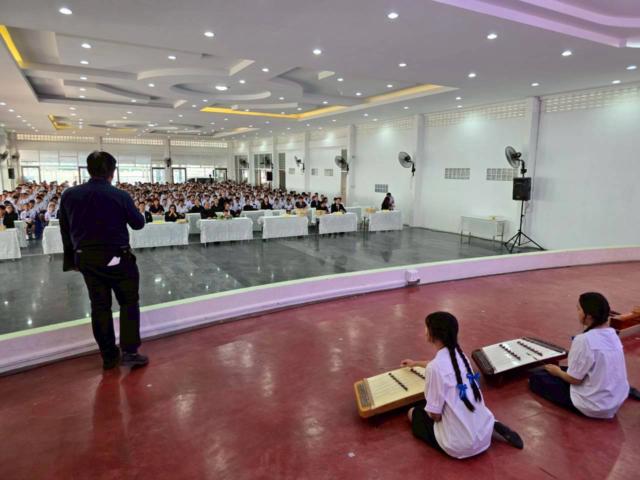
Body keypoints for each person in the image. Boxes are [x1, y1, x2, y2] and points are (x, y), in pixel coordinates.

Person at [59, 151, 148, 370]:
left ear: (88, 170)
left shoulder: (69, 195)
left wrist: (72, 260)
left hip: (87, 259)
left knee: (99, 306)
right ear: (112, 172)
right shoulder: (120, 195)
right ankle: (130, 352)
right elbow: (138, 224)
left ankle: (108, 356)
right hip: (118, 258)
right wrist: (139, 211)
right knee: (128, 302)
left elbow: (65, 229)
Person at [401, 312, 523, 458]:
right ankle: (492, 424)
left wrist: (432, 410)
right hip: (483, 436)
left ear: (432, 334)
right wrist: (415, 363)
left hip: (459, 445)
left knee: (413, 412)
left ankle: (466, 428)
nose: (424, 331)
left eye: (426, 328)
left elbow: (436, 416)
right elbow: (438, 366)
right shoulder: (461, 356)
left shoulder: (435, 368)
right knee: (462, 404)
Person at [529, 292, 631, 418]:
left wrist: (557, 372)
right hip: (616, 400)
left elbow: (575, 380)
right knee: (561, 371)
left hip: (592, 405)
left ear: (588, 316)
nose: (577, 313)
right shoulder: (612, 334)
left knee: (537, 376)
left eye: (579, 309)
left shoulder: (584, 340)